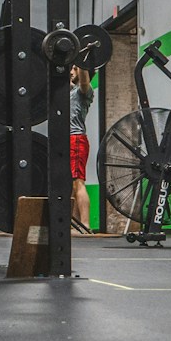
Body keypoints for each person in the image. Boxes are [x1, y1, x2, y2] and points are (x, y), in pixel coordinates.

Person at [69, 63, 94, 233]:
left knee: (78, 183)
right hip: (66, 140)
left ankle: (85, 225)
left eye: (75, 68)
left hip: (76, 139)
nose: (71, 71)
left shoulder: (83, 91)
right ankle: (75, 225)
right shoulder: (67, 92)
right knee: (71, 186)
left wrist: (82, 61)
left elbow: (84, 81)